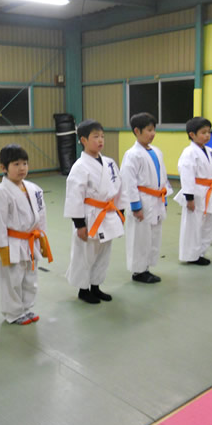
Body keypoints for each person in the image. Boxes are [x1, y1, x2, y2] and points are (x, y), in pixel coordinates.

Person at [0, 144, 52, 325]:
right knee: (12, 280)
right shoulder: (1, 192)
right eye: (16, 164)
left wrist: (42, 240)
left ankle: (27, 308)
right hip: (12, 242)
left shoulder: (34, 189)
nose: (22, 168)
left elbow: (41, 215)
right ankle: (13, 313)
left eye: (25, 163)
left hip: (30, 240)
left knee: (30, 277)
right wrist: (2, 248)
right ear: (3, 167)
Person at [64, 119, 128, 304]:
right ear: (83, 140)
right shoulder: (79, 167)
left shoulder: (109, 163)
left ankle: (96, 286)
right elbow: (74, 196)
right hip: (89, 215)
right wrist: (79, 224)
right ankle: (83, 290)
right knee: (86, 254)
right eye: (95, 137)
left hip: (108, 213)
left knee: (103, 253)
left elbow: (119, 188)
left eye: (102, 136)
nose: (100, 140)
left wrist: (120, 213)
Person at [120, 112, 173, 283]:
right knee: (140, 237)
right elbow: (128, 182)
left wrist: (164, 199)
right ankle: (138, 271)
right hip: (142, 200)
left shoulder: (156, 152)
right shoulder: (132, 154)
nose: (153, 134)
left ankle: (147, 267)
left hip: (156, 199)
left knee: (153, 236)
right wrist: (135, 206)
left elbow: (162, 177)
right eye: (149, 130)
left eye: (154, 130)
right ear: (137, 131)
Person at [174, 117, 212, 266]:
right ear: (192, 134)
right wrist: (189, 197)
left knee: (207, 225)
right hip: (196, 192)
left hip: (208, 190)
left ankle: (200, 252)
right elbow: (187, 175)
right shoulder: (189, 152)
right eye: (203, 132)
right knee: (193, 226)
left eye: (208, 132)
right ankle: (190, 255)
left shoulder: (209, 151)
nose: (207, 135)